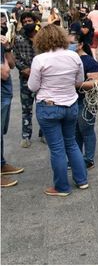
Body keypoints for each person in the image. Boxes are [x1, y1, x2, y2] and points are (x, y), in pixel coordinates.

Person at [28, 24, 88, 196]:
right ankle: (81, 180)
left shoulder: (39, 60)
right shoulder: (73, 56)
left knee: (57, 148)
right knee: (71, 143)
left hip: (49, 106)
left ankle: (61, 187)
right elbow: (79, 80)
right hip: (71, 105)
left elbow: (33, 86)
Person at [73, 32, 98, 169]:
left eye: (71, 43)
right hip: (73, 101)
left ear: (80, 45)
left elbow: (96, 82)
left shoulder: (89, 62)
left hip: (86, 101)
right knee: (75, 131)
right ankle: (77, 158)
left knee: (86, 130)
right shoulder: (70, 60)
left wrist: (75, 84)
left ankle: (88, 158)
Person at [14, 11, 42, 147]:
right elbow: (15, 57)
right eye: (24, 22)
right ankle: (26, 136)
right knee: (26, 109)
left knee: (43, 107)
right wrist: (24, 69)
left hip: (42, 79)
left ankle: (44, 134)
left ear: (35, 21)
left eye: (29, 21)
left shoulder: (42, 36)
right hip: (25, 78)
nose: (27, 24)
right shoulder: (18, 38)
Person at [1, 22, 24, 187]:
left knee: (1, 132)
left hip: (5, 93)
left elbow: (12, 64)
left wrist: (7, 48)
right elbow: (5, 72)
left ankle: (1, 164)